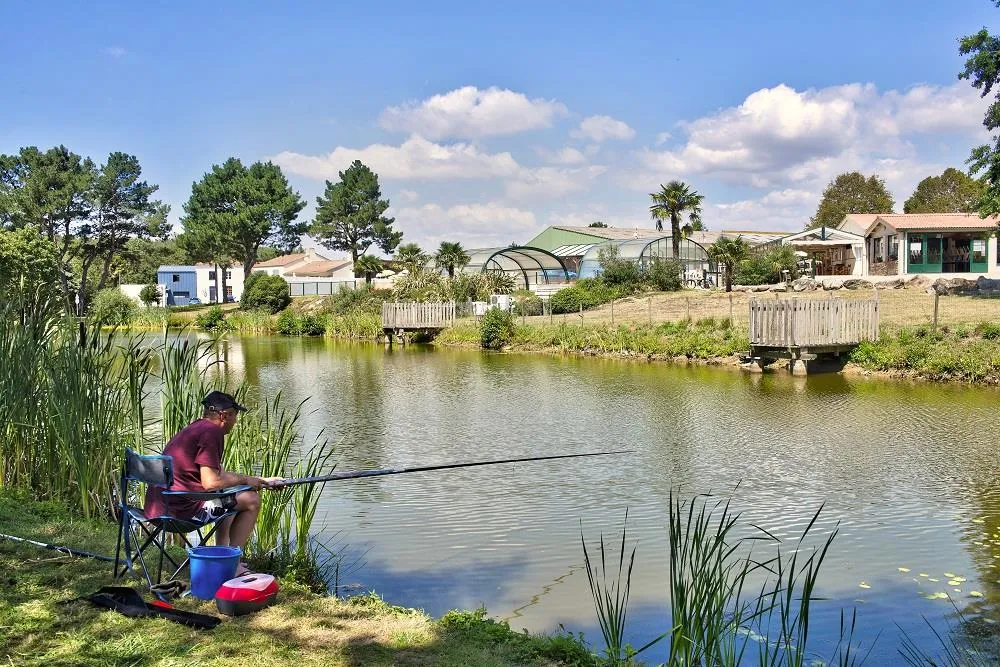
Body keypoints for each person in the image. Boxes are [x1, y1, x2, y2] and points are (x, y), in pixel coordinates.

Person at [144, 390, 284, 572]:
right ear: (224, 415)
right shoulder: (213, 432)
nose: (236, 422)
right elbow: (211, 482)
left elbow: (220, 476)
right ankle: (233, 564)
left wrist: (261, 480)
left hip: (157, 508)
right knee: (251, 501)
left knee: (232, 497)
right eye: (235, 416)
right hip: (179, 514)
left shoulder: (196, 428)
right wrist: (246, 480)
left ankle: (225, 554)